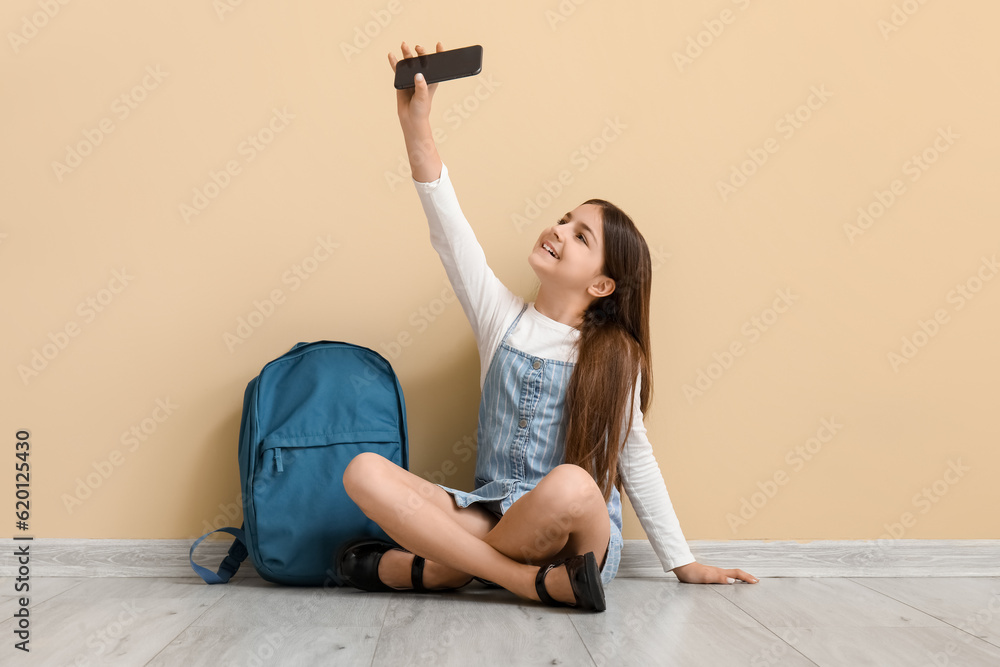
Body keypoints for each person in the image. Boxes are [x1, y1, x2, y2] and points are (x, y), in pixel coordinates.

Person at [336, 40, 759, 612]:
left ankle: (442, 570)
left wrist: (681, 561)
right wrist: (418, 125)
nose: (559, 231)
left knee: (573, 484)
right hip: (491, 513)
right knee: (363, 472)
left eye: (581, 236)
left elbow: (633, 457)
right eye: (565, 220)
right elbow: (447, 226)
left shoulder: (616, 356)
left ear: (602, 285)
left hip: (572, 538)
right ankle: (520, 582)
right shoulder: (500, 317)